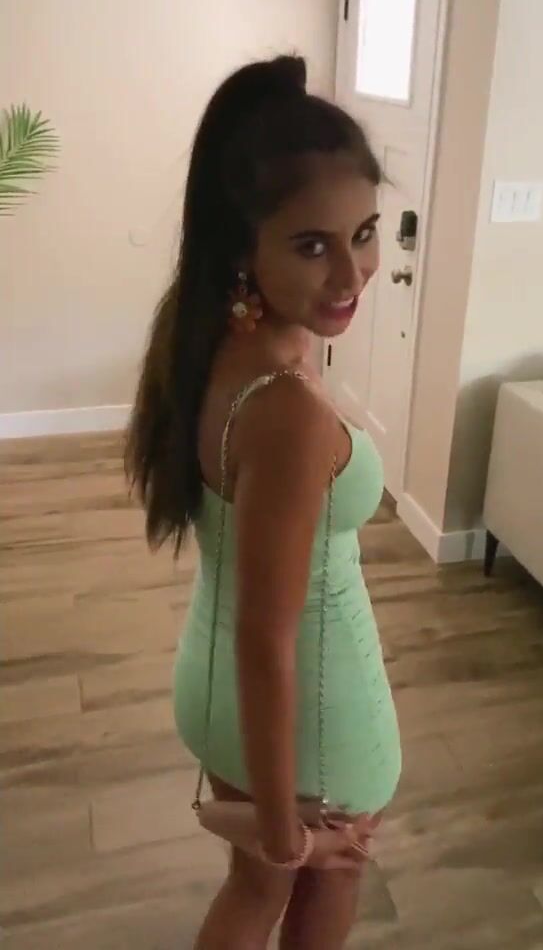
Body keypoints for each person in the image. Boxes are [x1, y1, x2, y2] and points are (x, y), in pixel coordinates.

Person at [126, 55, 401, 950]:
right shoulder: (282, 413)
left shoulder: (215, 338)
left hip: (215, 690)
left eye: (366, 233)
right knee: (313, 883)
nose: (352, 274)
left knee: (251, 891)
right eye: (312, 245)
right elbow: (266, 641)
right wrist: (284, 831)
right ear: (243, 247)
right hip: (308, 712)